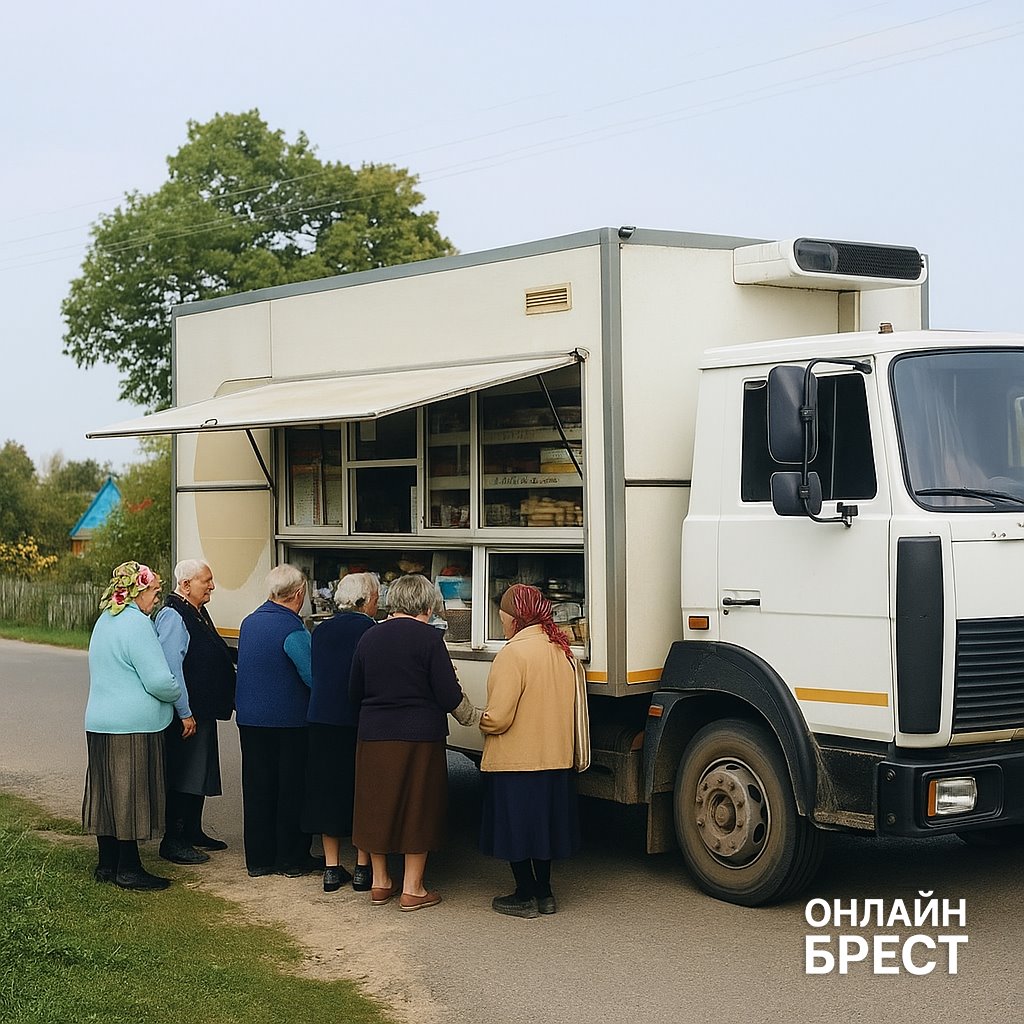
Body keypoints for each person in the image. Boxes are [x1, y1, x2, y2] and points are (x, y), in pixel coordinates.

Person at [349, 573, 465, 912]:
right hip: (420, 735)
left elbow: (354, 691)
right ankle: (413, 888)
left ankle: (381, 881)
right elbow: (447, 695)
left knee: (375, 805)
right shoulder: (430, 639)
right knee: (420, 805)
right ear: (426, 606)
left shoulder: (368, 637)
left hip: (373, 733)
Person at [479, 583, 580, 918]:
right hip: (555, 758)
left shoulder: (513, 654)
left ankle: (524, 894)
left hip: (517, 759)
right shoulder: (561, 651)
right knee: (543, 828)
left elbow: (500, 716)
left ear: (516, 617)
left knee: (517, 829)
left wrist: (482, 720)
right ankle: (546, 893)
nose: (502, 620)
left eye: (504, 614)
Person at [82, 561, 182, 891]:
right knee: (132, 794)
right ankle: (129, 867)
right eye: (154, 591)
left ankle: (106, 864)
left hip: (99, 721)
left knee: (107, 793)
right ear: (138, 591)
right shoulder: (137, 624)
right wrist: (175, 688)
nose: (157, 599)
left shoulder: (104, 621)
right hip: (132, 725)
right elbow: (157, 680)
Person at [235, 564, 319, 878]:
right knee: (291, 790)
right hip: (289, 721)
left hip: (251, 720)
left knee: (258, 789)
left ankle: (259, 859)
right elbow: (311, 676)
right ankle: (290, 857)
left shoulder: (249, 623)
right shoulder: (293, 630)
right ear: (299, 594)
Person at [155, 558, 236, 866]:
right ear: (186, 585)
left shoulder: (196, 611)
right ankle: (173, 841)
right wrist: (184, 712)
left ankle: (192, 830)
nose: (212, 585)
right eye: (207, 580)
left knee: (199, 773)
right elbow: (171, 669)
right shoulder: (173, 616)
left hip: (202, 710)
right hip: (187, 714)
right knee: (184, 775)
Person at [301, 572, 378, 893]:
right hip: (357, 719)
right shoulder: (371, 631)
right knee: (360, 793)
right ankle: (362, 868)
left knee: (326, 792)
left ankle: (331, 869)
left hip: (320, 718)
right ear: (365, 600)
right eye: (375, 597)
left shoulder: (320, 631)